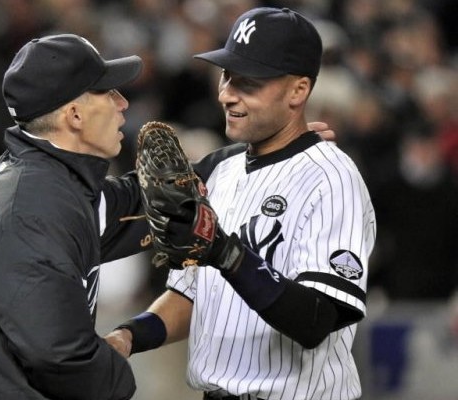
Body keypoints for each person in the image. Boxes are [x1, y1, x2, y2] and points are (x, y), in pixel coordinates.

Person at [106, 7, 377, 400]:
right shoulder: (220, 172)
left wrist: (225, 251)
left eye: (248, 82)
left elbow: (317, 319)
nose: (226, 94)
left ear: (298, 91)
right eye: (226, 75)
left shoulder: (332, 178)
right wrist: (127, 337)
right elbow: (190, 297)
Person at [0, 34, 150, 400]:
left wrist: (218, 172)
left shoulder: (50, 180)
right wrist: (118, 372)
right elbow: (66, 361)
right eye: (108, 93)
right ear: (74, 115)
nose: (122, 103)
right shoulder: (29, 211)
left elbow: (119, 208)